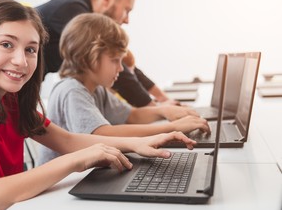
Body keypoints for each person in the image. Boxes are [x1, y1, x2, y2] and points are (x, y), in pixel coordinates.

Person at [0, 0, 196, 210]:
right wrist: (76, 161)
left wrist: (136, 144)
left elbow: (66, 141)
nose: (21, 60)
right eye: (6, 44)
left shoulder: (10, 100)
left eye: (31, 49)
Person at [38, 13, 210, 165]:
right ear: (87, 58)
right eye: (114, 60)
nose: (121, 68)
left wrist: (165, 111)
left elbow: (132, 115)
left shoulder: (96, 88)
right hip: (60, 188)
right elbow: (103, 134)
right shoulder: (72, 90)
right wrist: (171, 128)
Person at [36, 0, 176, 107]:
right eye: (126, 10)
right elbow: (114, 66)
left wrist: (162, 99)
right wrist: (154, 108)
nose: (127, 20)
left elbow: (121, 64)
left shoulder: (74, 8)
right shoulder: (72, 12)